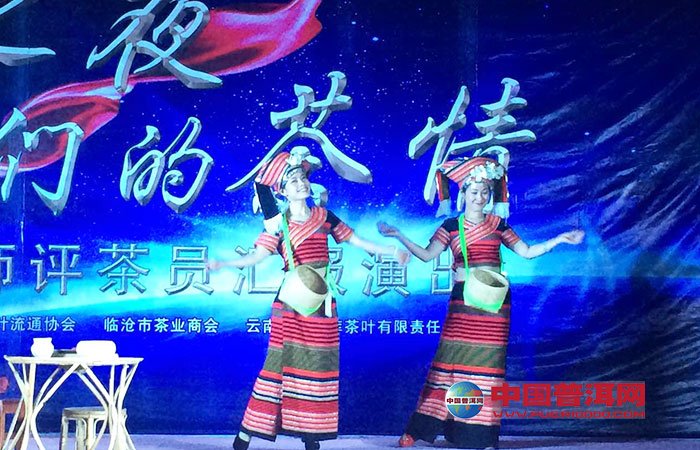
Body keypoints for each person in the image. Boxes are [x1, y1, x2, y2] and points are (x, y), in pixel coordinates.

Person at [378, 156, 584, 450]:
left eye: (485, 192)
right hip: (464, 302)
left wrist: (559, 239)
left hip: (495, 305)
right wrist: (399, 236)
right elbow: (426, 255)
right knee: (449, 366)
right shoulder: (451, 226)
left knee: (487, 371)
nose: (480, 197)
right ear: (463, 194)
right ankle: (421, 428)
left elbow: (526, 252)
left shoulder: (498, 224)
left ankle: (480, 436)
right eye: (474, 192)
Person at [209, 149, 409, 450]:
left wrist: (391, 251)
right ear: (282, 192)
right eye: (293, 181)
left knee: (318, 367)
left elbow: (356, 240)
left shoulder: (324, 217)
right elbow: (256, 257)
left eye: (303, 178)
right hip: (290, 304)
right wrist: (224, 263)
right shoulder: (277, 225)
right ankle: (246, 434)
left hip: (322, 303)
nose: (301, 183)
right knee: (277, 366)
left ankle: (312, 437)